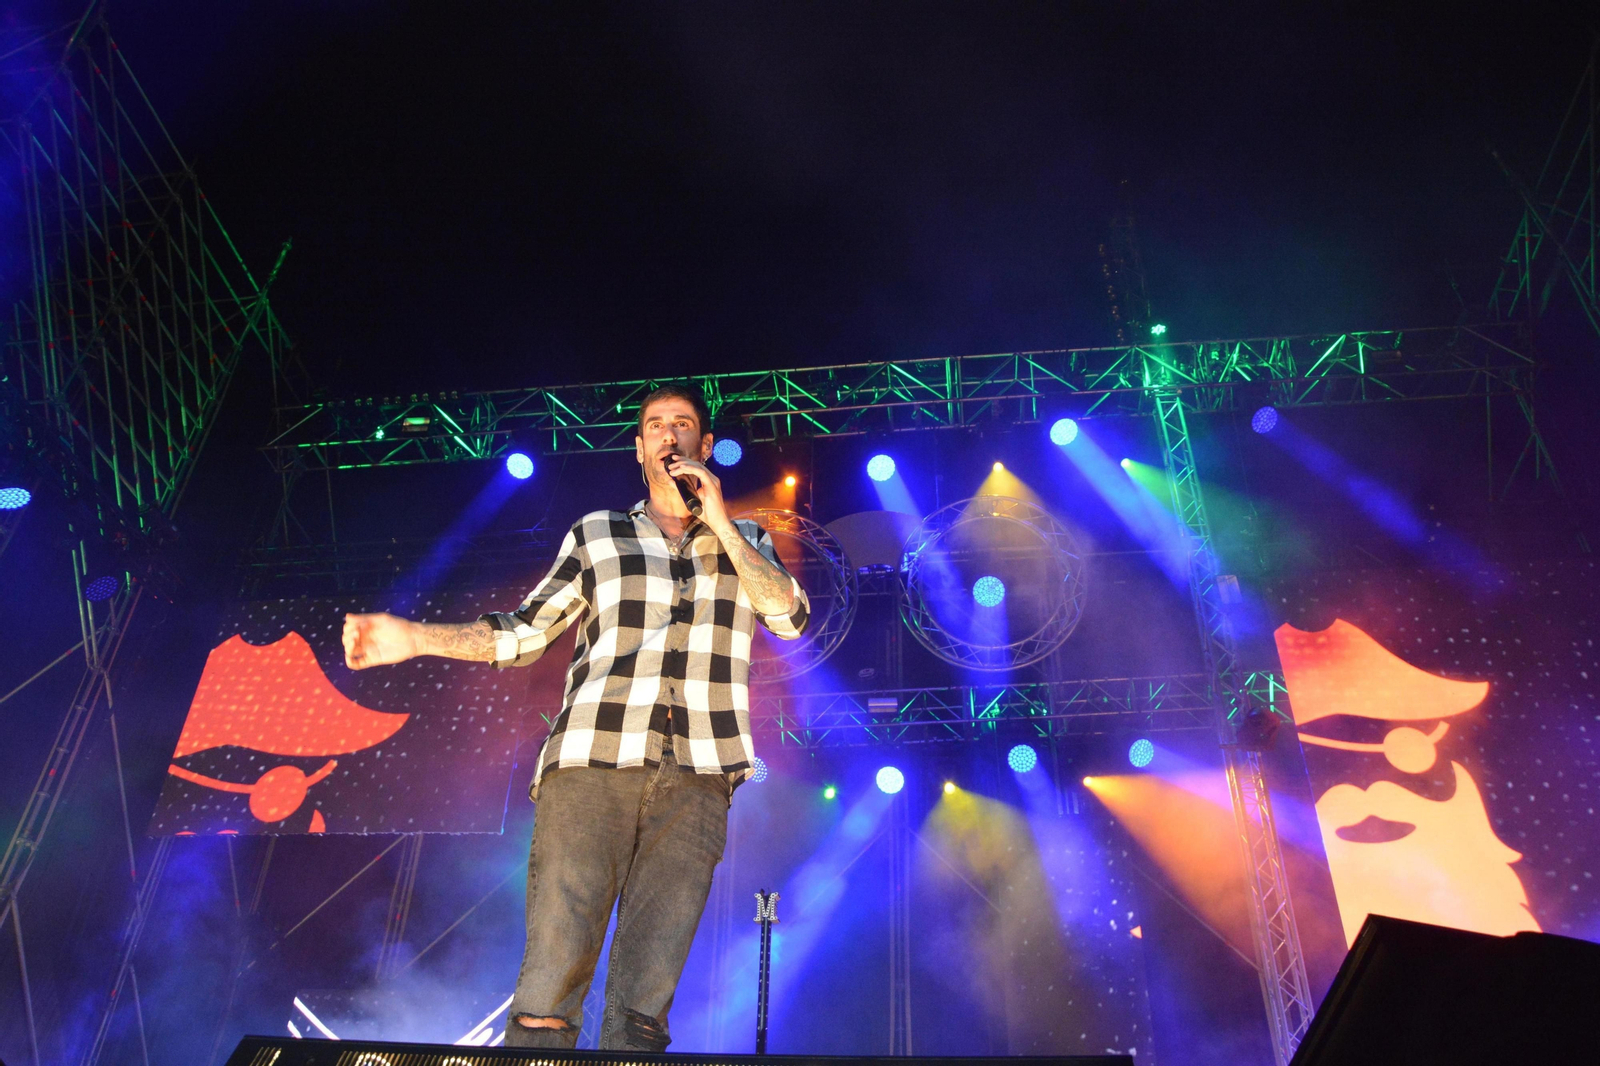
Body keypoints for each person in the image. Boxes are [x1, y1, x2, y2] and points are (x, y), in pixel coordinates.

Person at [341, 384, 809, 1050]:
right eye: (655, 425)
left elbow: (790, 620)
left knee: (644, 1004)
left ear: (705, 447)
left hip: (702, 775)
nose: (669, 435)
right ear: (639, 446)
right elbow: (525, 631)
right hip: (591, 763)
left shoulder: (749, 540)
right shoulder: (599, 533)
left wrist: (724, 524)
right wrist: (415, 638)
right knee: (552, 980)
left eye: (683, 425)